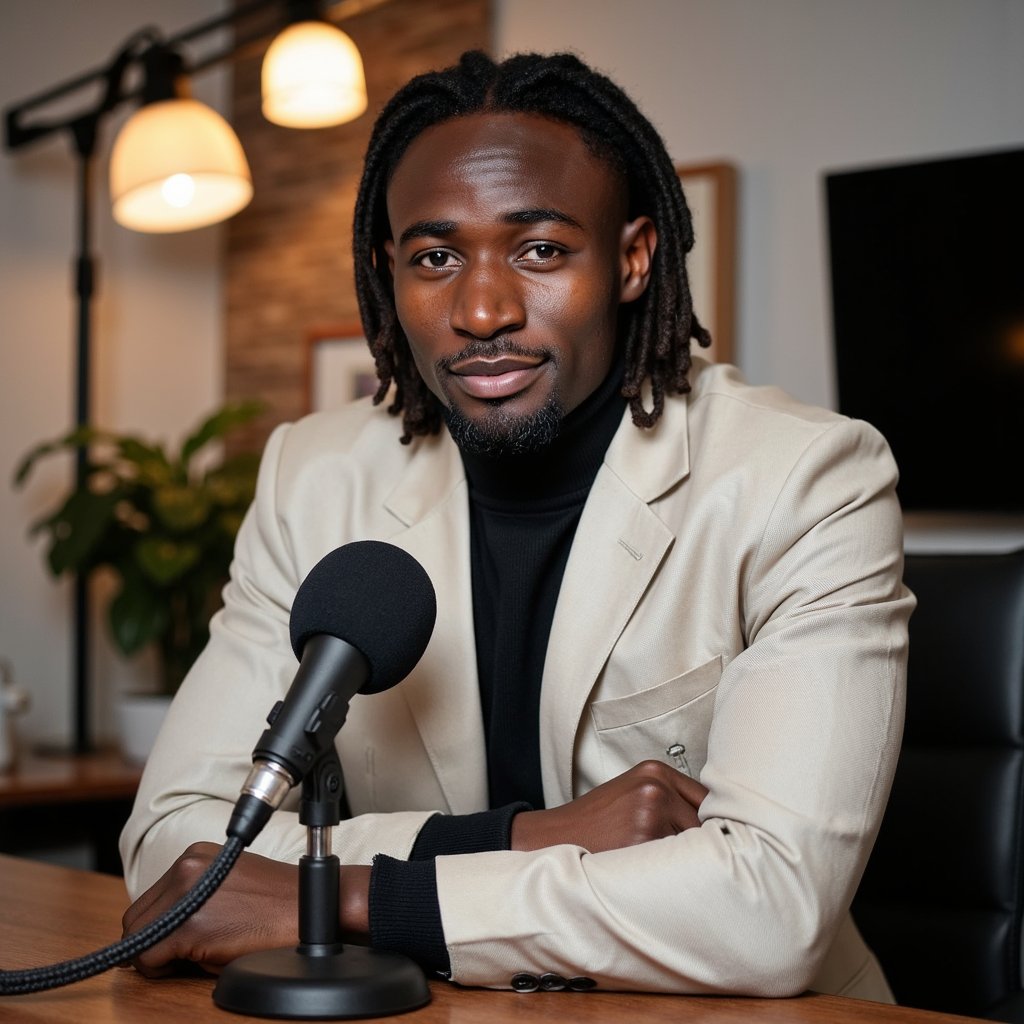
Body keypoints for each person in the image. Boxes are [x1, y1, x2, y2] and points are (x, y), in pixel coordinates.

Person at [119, 50, 913, 1000]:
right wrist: (526, 836)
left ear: (632, 258)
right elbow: (177, 845)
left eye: (539, 251)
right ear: (389, 272)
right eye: (435, 257)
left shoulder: (806, 479)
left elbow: (769, 908)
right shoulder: (312, 479)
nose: (482, 309)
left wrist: (343, 898)